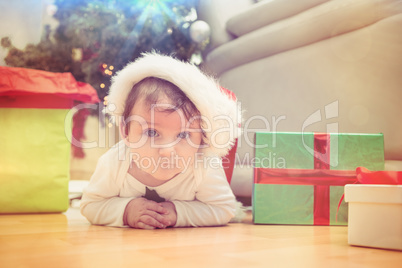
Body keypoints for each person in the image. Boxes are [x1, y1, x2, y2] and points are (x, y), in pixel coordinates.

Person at [80, 53, 242, 229]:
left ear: (202, 139)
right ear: (126, 132)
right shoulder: (115, 162)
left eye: (183, 135)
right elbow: (90, 205)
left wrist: (178, 212)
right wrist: (126, 211)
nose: (166, 150)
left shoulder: (204, 165)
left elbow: (224, 209)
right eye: (151, 132)